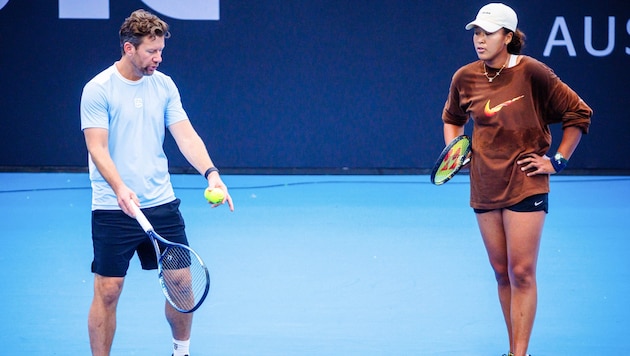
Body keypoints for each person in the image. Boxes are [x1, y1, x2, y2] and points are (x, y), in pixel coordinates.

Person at [80, 9, 234, 356]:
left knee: (181, 282)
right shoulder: (98, 89)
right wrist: (120, 188)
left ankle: (181, 352)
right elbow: (97, 148)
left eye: (161, 50)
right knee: (108, 289)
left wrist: (212, 173)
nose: (158, 59)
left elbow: (186, 136)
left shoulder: (164, 85)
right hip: (113, 206)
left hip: (160, 202)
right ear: (128, 48)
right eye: (152, 51)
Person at [441, 3, 592, 356]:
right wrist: (455, 151)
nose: (480, 40)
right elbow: (452, 118)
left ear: (508, 37)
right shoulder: (464, 77)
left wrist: (557, 161)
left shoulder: (533, 72)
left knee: (521, 272)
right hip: (484, 183)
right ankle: (513, 348)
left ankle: (519, 354)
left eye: (488, 33)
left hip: (526, 181)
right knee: (501, 272)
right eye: (476, 33)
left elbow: (579, 112)